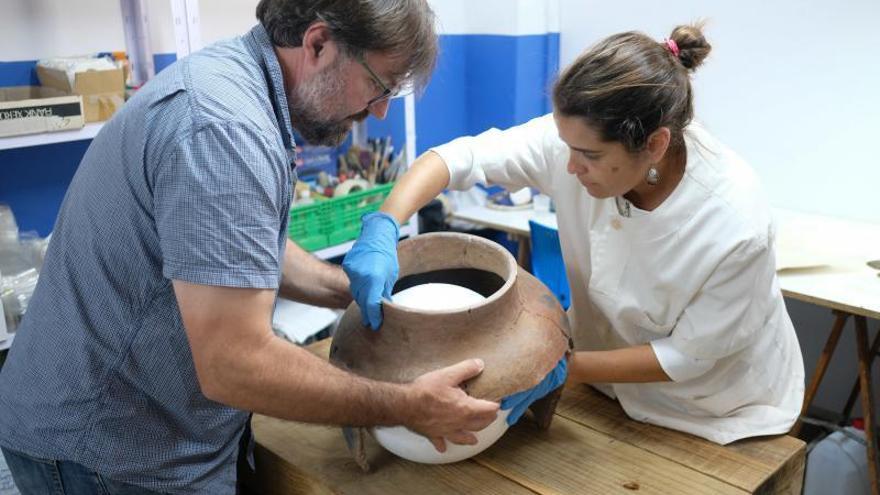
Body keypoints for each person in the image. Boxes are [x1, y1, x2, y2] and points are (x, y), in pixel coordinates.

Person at [0, 1, 502, 493]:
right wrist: (408, 406)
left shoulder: (235, 79)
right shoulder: (225, 129)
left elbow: (229, 248)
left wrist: (344, 289)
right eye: (378, 84)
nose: (380, 109)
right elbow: (234, 364)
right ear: (319, 43)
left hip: (129, 420)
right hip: (109, 451)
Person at [344, 23, 805, 444]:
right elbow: (460, 159)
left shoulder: (734, 224)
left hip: (711, 411)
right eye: (565, 145)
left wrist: (552, 366)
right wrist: (386, 222)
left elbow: (689, 356)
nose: (569, 166)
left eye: (589, 155)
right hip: (603, 386)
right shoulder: (581, 138)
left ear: (655, 145)